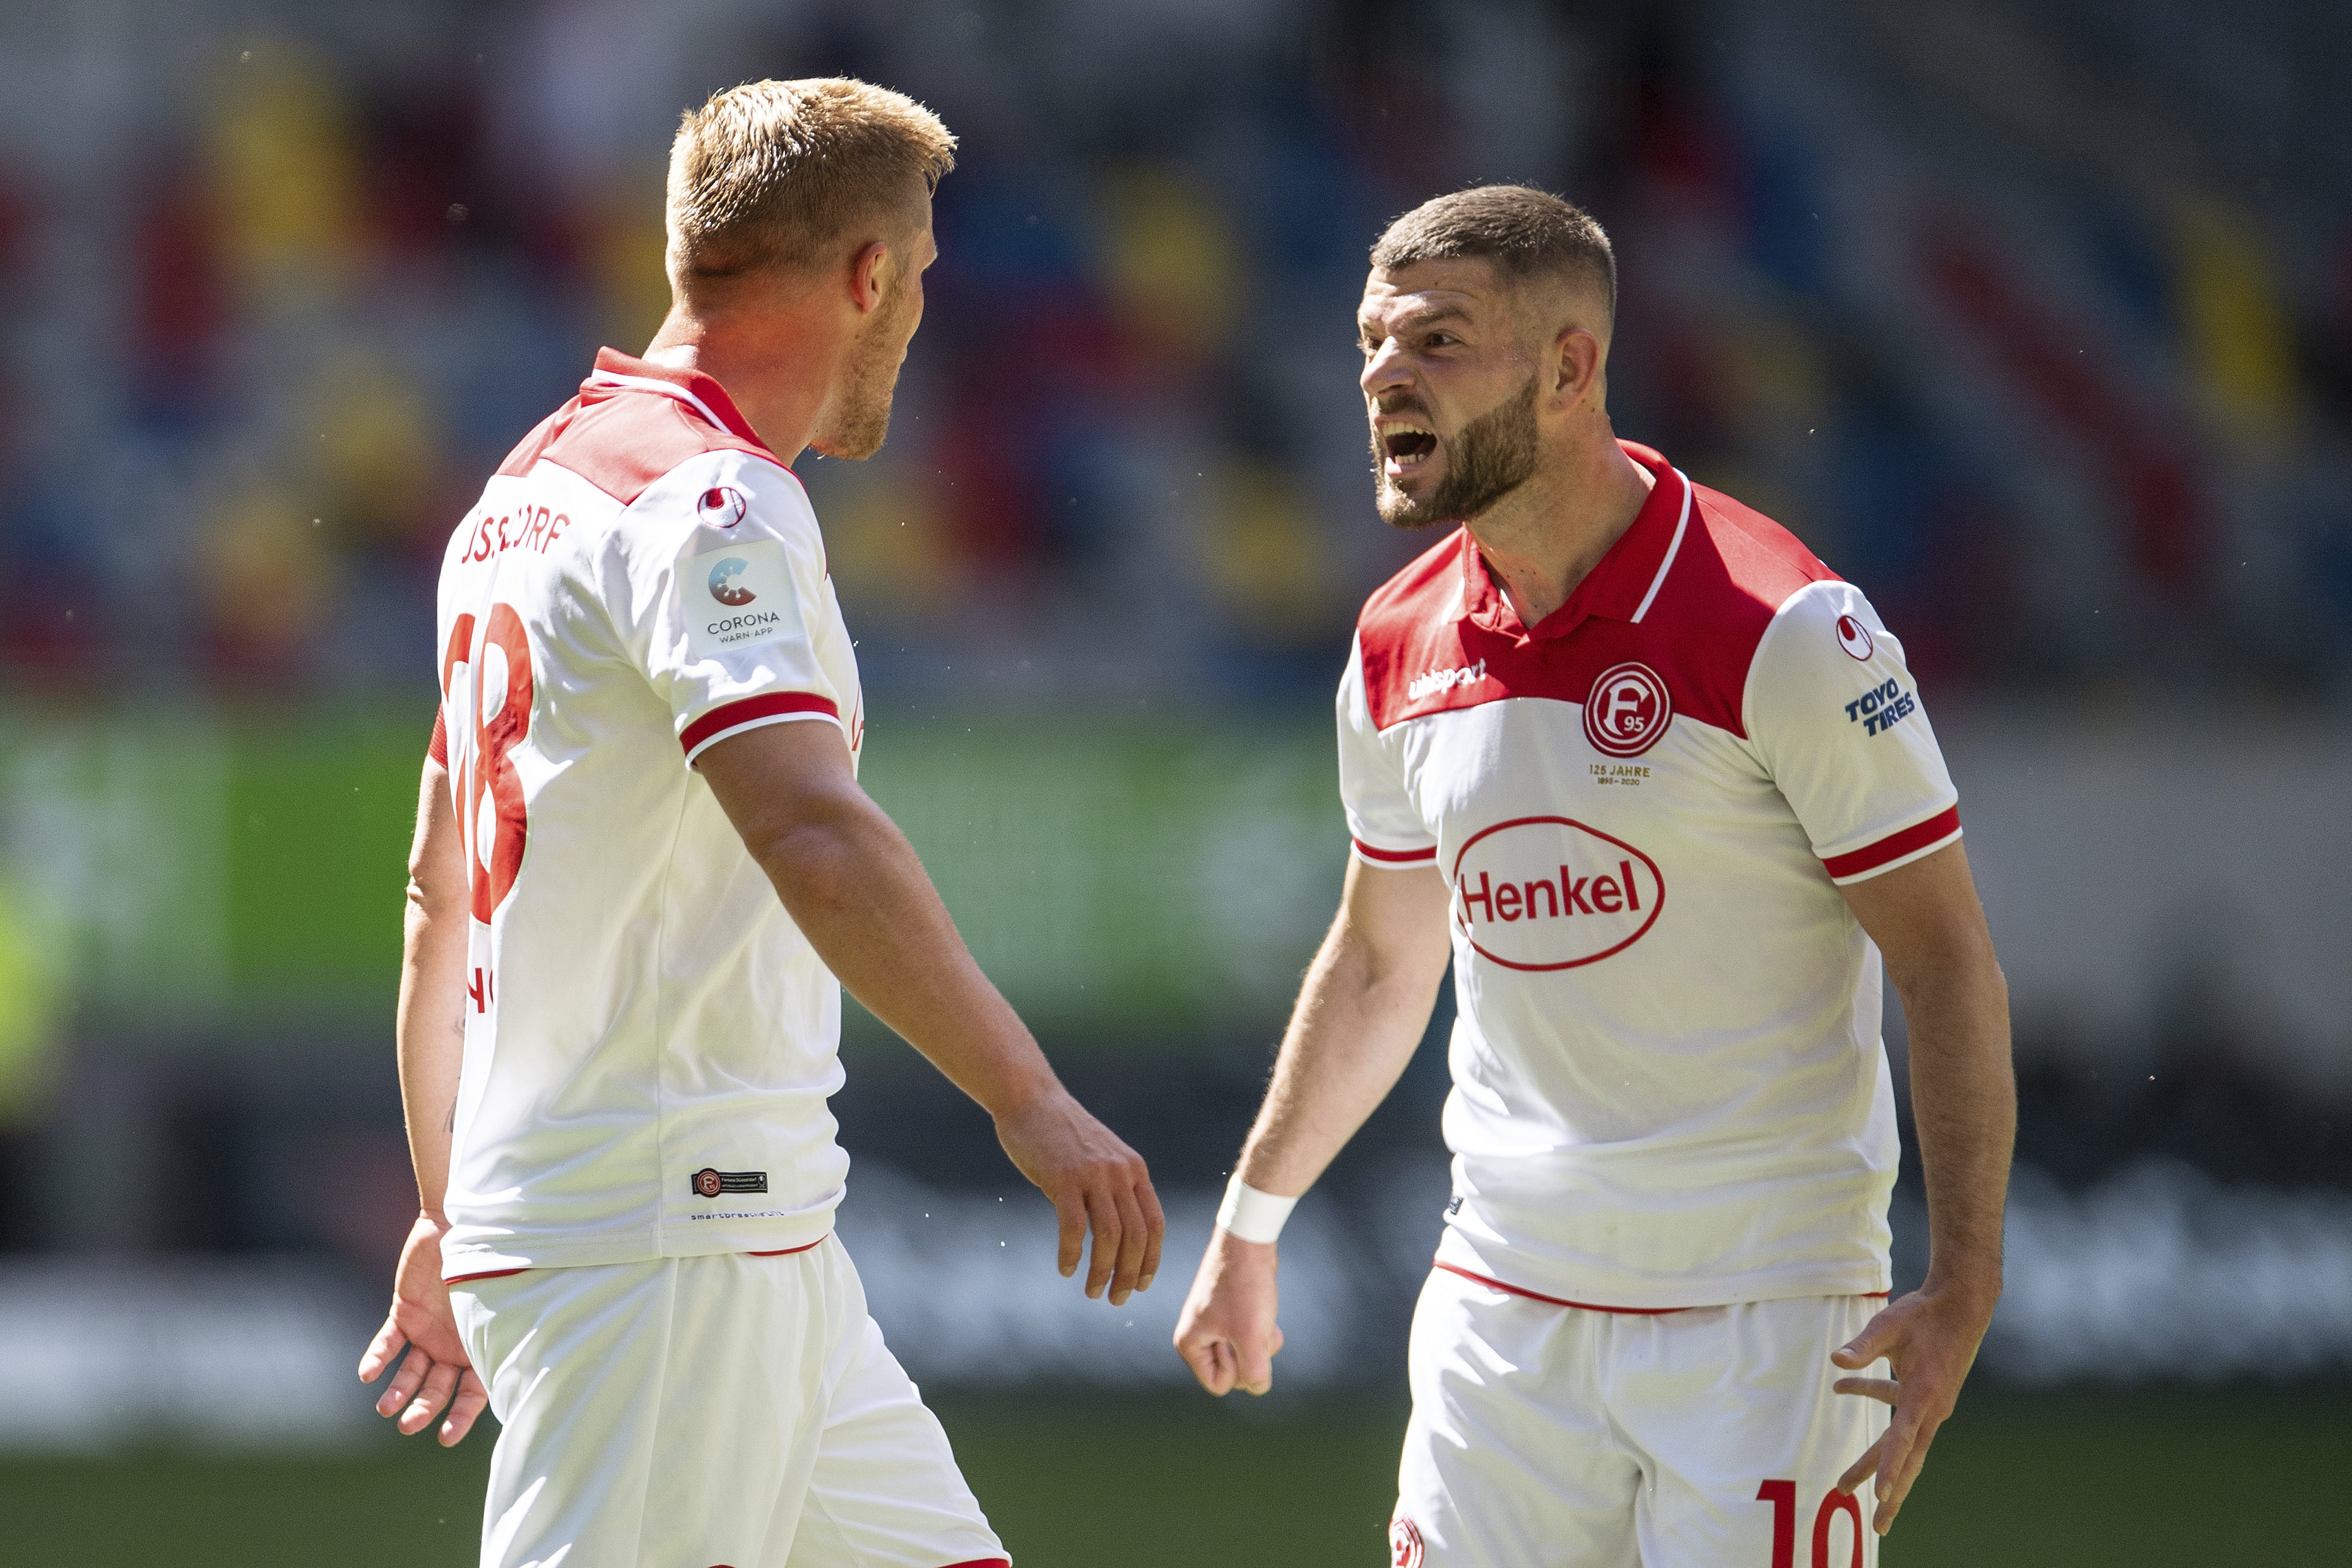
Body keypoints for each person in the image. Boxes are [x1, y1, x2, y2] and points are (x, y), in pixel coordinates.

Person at [357, 78, 1165, 1568]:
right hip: (670, 1230)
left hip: (740, 1226)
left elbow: (435, 892)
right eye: (917, 278)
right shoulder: (710, 499)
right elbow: (811, 833)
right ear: (867, 277)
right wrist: (1029, 1097)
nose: (919, 317)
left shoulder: (519, 495)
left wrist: (448, 1201)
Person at [1173, 186, 2013, 1567]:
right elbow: (1384, 958)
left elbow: (1944, 958)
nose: (1385, 374)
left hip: (1767, 1317)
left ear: (1570, 368)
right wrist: (1252, 1219)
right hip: (1501, 1301)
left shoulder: (1786, 627)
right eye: (1373, 345)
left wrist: (1964, 1278)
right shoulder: (1393, 642)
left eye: (1438, 341)